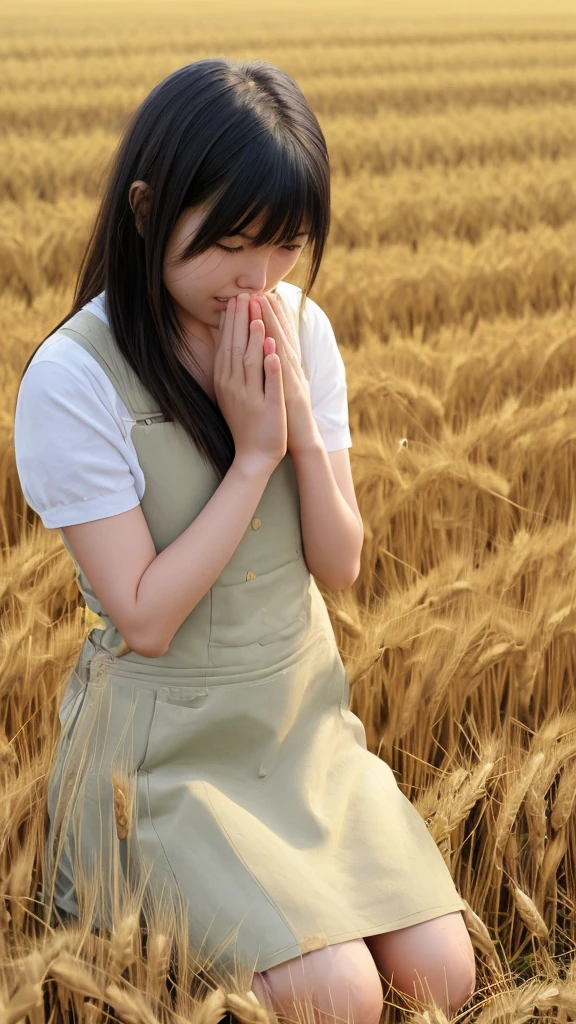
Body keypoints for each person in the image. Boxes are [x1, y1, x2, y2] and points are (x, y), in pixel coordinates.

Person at [14, 58, 476, 1022]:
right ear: (146, 211)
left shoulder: (302, 329)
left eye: (285, 246)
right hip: (166, 762)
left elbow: (342, 563)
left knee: (446, 973)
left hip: (300, 722)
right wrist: (254, 456)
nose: (258, 279)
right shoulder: (74, 379)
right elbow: (142, 616)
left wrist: (300, 422)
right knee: (340, 997)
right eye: (230, 244)